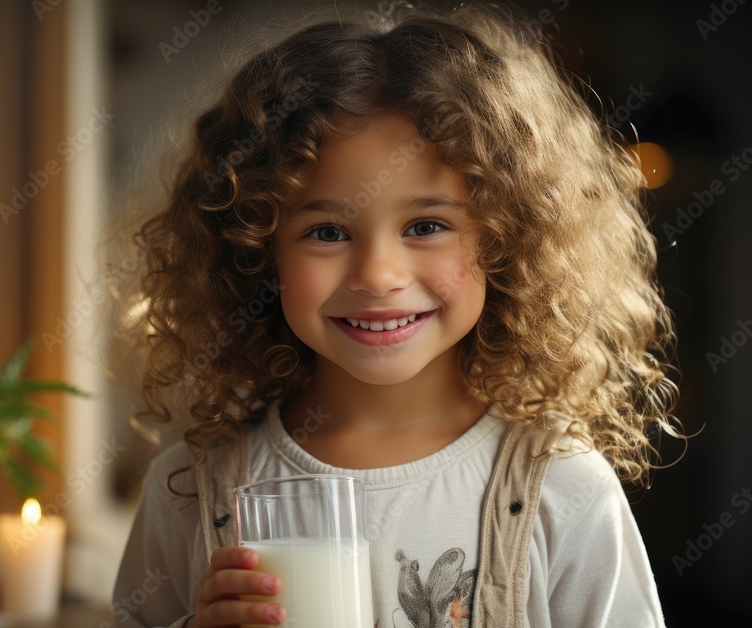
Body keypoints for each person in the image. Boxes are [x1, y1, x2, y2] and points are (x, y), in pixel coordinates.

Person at [112, 3, 682, 627]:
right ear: (254, 251)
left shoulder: (564, 491)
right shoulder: (190, 491)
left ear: (505, 241)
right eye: (327, 231)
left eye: (427, 225)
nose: (379, 275)